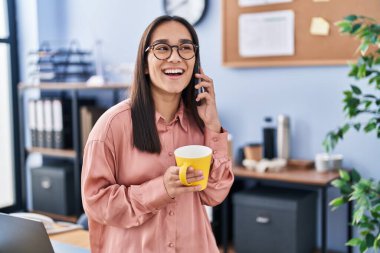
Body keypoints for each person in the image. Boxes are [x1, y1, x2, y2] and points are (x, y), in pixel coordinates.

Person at [81, 15, 234, 253]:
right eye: (162, 48)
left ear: (195, 61)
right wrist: (160, 189)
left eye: (185, 48)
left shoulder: (202, 122)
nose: (175, 57)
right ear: (144, 63)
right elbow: (96, 204)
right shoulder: (111, 126)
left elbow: (215, 194)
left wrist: (213, 127)